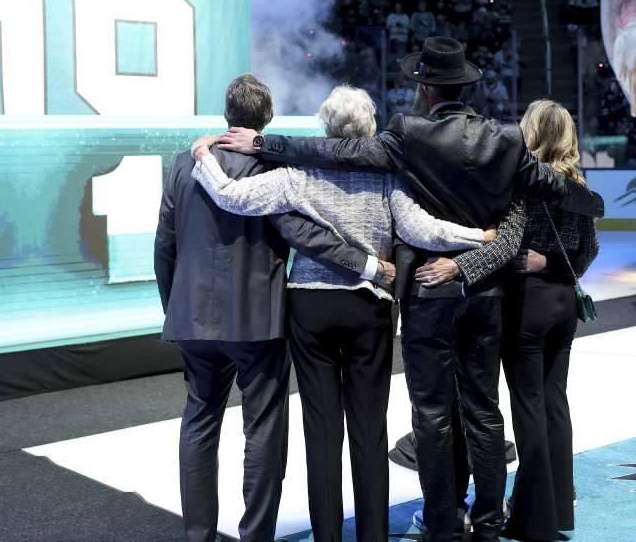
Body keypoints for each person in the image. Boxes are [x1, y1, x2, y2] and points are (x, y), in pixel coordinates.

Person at [214, 37, 603, 542]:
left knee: (434, 413)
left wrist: (265, 145)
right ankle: (489, 522)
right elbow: (560, 189)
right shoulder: (506, 142)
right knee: (485, 410)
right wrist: (591, 201)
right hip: (486, 295)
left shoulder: (408, 134)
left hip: (428, 294)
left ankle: (443, 522)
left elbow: (335, 149)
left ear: (425, 87)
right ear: (465, 86)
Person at [188, 85, 503, 542]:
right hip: (368, 306)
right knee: (369, 430)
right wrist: (479, 237)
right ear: (370, 126)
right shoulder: (385, 177)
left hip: (310, 306)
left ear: (325, 126)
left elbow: (233, 197)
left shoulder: (299, 172)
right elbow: (423, 229)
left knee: (321, 433)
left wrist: (204, 159)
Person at [154, 75, 392, 542]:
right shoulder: (271, 170)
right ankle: (256, 535)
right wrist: (370, 266)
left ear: (227, 114)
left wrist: (176, 309)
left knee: (199, 423)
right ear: (266, 119)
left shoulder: (184, 165)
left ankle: (197, 535)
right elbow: (302, 234)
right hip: (257, 321)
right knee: (262, 431)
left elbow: (165, 244)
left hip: (193, 319)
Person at [498, 101, 599, 542]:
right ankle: (561, 504)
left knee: (529, 407)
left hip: (528, 306)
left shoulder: (525, 182)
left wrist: (539, 262)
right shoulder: (578, 181)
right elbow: (589, 249)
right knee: (555, 402)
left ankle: (532, 515)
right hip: (563, 306)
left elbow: (509, 244)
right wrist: (558, 265)